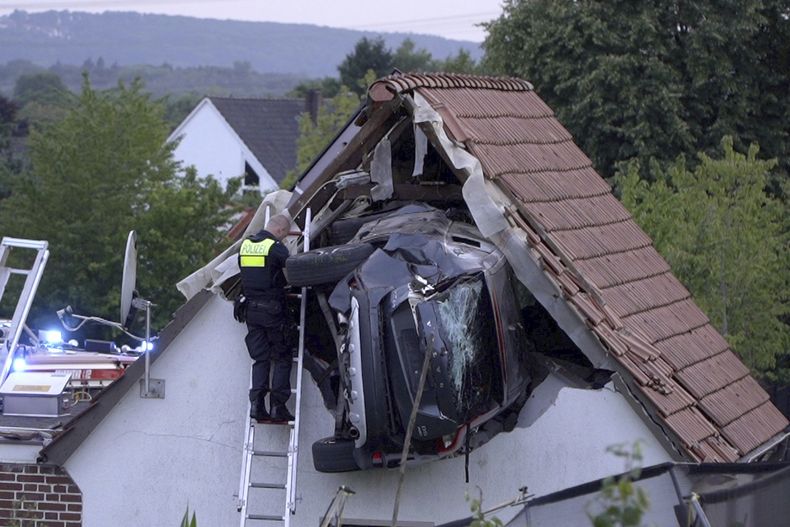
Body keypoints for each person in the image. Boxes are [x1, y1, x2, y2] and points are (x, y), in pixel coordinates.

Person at [238, 214, 294, 423]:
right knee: (282, 356)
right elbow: (292, 269)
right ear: (279, 231)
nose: (284, 239)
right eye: (284, 235)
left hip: (250, 311)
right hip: (272, 310)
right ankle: (278, 407)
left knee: (260, 358)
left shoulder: (245, 245)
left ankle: (256, 405)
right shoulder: (275, 246)